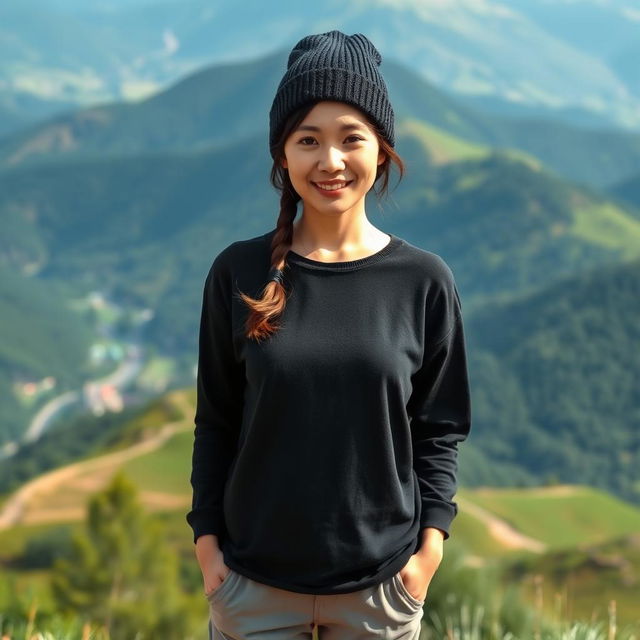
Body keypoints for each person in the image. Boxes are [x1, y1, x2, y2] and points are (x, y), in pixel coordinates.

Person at [187, 29, 472, 640]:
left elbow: (439, 429)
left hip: (382, 588)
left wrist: (428, 555)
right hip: (251, 586)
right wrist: (210, 552)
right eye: (308, 140)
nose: (331, 161)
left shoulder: (423, 281)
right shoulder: (238, 273)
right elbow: (216, 420)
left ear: (381, 149)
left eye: (352, 139)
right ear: (282, 155)